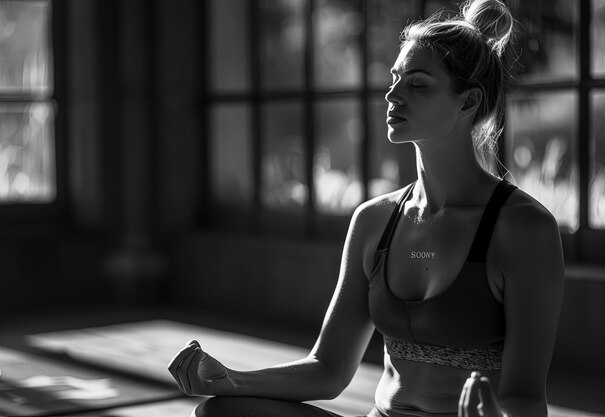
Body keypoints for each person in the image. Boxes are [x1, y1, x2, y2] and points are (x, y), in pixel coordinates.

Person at [168, 0, 565, 416]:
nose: (393, 95)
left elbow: (525, 399)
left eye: (418, 84)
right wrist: (231, 379)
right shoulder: (374, 220)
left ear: (467, 102)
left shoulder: (523, 229)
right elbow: (328, 369)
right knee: (220, 411)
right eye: (395, 79)